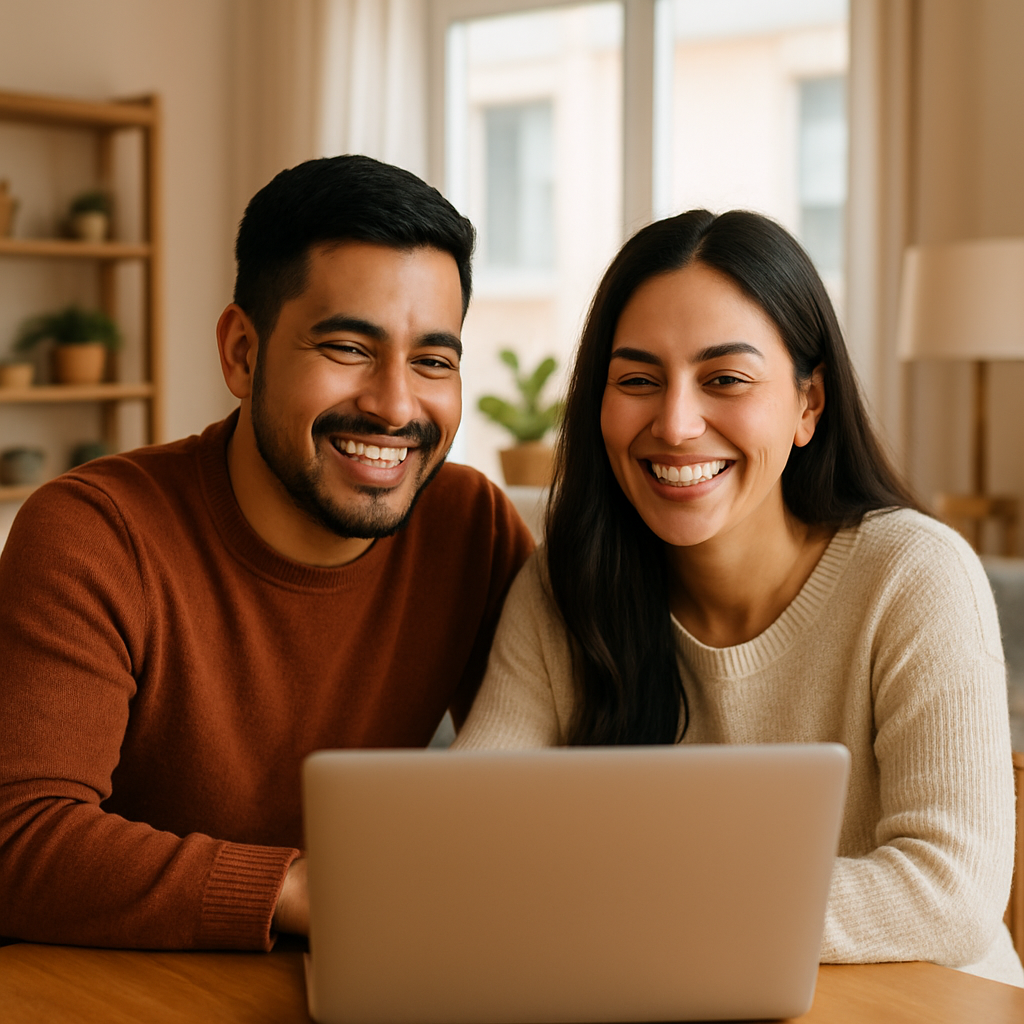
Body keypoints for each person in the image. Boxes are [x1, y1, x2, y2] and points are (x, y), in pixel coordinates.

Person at [454, 209, 1024, 987]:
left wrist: (641, 907)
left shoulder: (914, 574)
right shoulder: (566, 586)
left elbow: (950, 895)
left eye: (725, 379)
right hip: (688, 997)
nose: (677, 423)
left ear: (808, 405)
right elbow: (463, 840)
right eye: (637, 380)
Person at [0, 155, 534, 950]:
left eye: (433, 360)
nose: (395, 404)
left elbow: (561, 778)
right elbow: (19, 842)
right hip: (123, 992)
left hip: (362, 980)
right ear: (242, 354)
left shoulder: (468, 525)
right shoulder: (91, 533)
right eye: (349, 348)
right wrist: (289, 889)